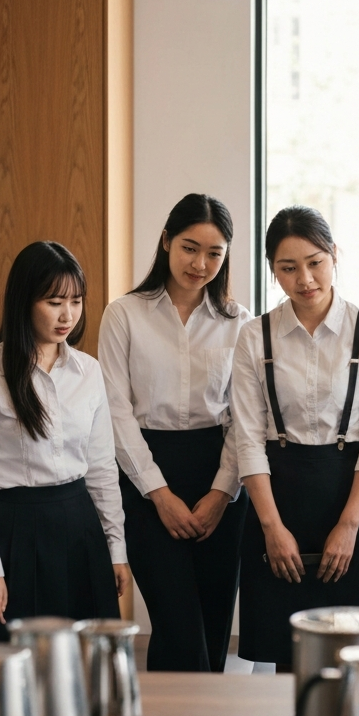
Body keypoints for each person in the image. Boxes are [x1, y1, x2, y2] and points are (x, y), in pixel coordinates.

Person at [230, 205, 359, 671]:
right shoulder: (255, 336)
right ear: (273, 270)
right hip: (277, 504)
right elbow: (248, 440)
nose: (304, 279)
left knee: (355, 656)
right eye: (288, 268)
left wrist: (349, 526)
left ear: (334, 255)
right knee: (288, 663)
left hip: (351, 501)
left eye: (315, 262)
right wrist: (271, 528)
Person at [100, 194, 252, 672]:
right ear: (166, 240)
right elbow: (115, 412)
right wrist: (159, 494)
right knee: (177, 626)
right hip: (145, 474)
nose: (200, 264)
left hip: (220, 471)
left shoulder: (240, 322)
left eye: (214, 253)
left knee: (212, 625)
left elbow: (246, 416)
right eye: (190, 248)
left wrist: (221, 494)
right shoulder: (124, 314)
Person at [0, 241, 128, 641]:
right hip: (16, 533)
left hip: (81, 527)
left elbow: (102, 469)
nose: (68, 315)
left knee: (88, 660)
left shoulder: (88, 371)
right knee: (19, 662)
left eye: (76, 301)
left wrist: (115, 549)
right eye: (54, 302)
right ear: (24, 301)